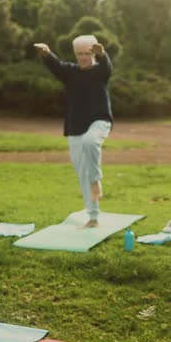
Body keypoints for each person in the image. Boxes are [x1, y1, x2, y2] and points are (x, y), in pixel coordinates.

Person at [33, 35, 112, 228]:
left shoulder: (99, 71)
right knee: (81, 172)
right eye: (80, 54)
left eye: (87, 53)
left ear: (93, 53)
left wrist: (102, 54)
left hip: (99, 121)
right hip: (76, 126)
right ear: (75, 54)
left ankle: (96, 180)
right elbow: (56, 65)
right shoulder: (70, 72)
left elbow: (107, 68)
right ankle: (93, 217)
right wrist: (46, 53)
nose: (83, 57)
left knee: (90, 142)